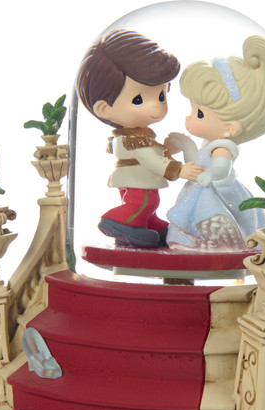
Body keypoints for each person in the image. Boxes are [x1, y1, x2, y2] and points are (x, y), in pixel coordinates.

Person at [76, 29, 202, 248]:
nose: (157, 107)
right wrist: (178, 170)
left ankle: (147, 223)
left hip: (136, 178)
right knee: (144, 201)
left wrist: (168, 148)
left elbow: (152, 153)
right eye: (138, 100)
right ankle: (118, 221)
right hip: (136, 179)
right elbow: (149, 160)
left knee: (150, 203)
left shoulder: (138, 135)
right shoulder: (131, 139)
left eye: (161, 96)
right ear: (104, 109)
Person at [165, 36, 265, 252]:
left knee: (208, 214)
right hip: (203, 186)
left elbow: (222, 167)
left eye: (199, 114)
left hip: (218, 192)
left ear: (230, 128)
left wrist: (212, 174)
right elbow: (198, 163)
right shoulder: (210, 142)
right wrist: (186, 146)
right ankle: (197, 241)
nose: (189, 118)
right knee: (194, 215)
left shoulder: (222, 147)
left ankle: (218, 243)